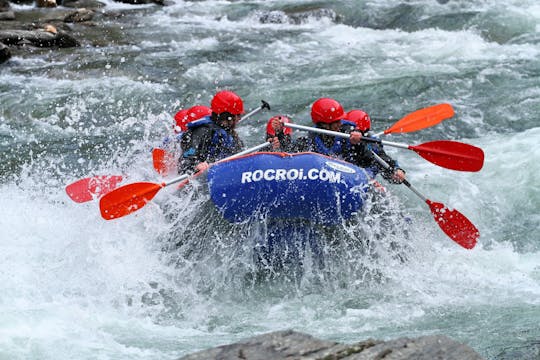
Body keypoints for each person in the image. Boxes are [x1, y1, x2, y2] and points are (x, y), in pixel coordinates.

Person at [271, 98, 405, 184]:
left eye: (339, 121)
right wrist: (280, 135)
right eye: (334, 122)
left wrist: (395, 170)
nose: (338, 124)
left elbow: (375, 157)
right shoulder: (312, 139)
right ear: (322, 124)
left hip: (357, 180)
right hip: (329, 182)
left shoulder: (350, 133)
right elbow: (290, 153)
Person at [179, 90, 246, 174]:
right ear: (228, 117)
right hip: (204, 177)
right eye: (238, 115)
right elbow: (185, 162)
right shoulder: (202, 131)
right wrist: (196, 165)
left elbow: (242, 154)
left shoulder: (229, 132)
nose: (239, 119)